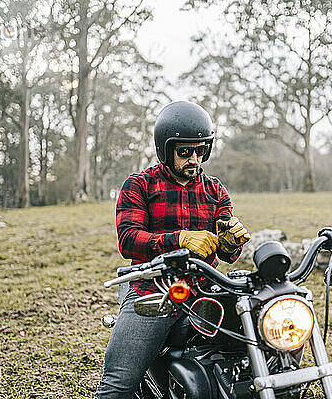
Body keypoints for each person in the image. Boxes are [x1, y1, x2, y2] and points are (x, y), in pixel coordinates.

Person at [94, 100, 251, 399]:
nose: (194, 159)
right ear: (166, 150)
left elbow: (228, 252)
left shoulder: (215, 189)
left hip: (206, 292)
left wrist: (231, 243)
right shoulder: (139, 185)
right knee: (116, 388)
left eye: (201, 150)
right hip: (153, 291)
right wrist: (179, 239)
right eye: (185, 152)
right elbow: (128, 239)